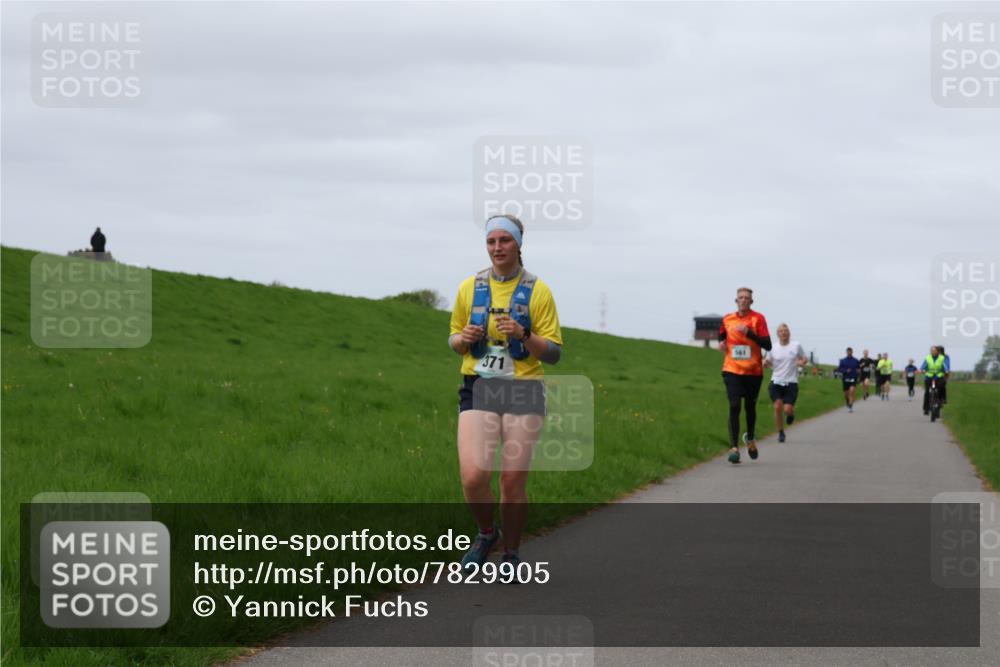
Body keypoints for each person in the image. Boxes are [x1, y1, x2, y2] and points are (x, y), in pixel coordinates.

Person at [449, 214, 563, 575]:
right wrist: (463, 339)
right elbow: (453, 341)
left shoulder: (538, 290)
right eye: (491, 241)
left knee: (511, 479)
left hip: (524, 390)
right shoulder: (470, 287)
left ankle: (511, 554)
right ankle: (487, 533)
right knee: (473, 476)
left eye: (505, 241)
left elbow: (555, 353)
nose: (497, 248)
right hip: (479, 386)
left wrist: (523, 335)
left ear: (519, 244)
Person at [718, 287, 771, 464]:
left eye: (746, 298)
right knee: (734, 406)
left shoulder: (758, 319)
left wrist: (750, 333)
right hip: (731, 369)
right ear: (736, 300)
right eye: (740, 297)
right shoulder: (727, 319)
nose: (743, 300)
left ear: (751, 302)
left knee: (750, 407)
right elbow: (721, 335)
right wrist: (722, 343)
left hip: (753, 371)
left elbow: (768, 345)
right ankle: (733, 448)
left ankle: (750, 438)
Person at [763, 323, 807, 443]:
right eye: (781, 331)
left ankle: (790, 414)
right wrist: (765, 363)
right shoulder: (773, 347)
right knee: (777, 406)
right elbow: (767, 361)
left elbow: (804, 358)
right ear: (778, 334)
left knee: (787, 409)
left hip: (791, 383)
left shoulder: (796, 345)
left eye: (786, 331)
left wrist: (801, 362)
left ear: (789, 333)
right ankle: (781, 432)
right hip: (776, 381)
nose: (783, 333)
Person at [920, 345, 950, 414]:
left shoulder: (942, 358)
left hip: (938, 376)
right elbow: (924, 365)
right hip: (929, 376)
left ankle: (940, 402)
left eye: (934, 350)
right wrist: (922, 369)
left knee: (941, 387)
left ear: (937, 351)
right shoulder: (928, 358)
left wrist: (946, 370)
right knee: (927, 392)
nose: (933, 352)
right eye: (931, 351)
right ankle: (926, 409)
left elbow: (945, 366)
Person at [837, 347, 861, 412]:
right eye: (848, 351)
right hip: (845, 379)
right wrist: (845, 370)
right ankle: (847, 400)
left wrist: (858, 372)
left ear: (852, 352)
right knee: (846, 394)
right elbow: (839, 369)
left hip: (853, 378)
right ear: (846, 352)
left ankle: (850, 406)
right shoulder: (843, 360)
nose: (849, 353)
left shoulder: (856, 360)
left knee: (852, 391)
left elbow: (859, 368)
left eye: (850, 351)